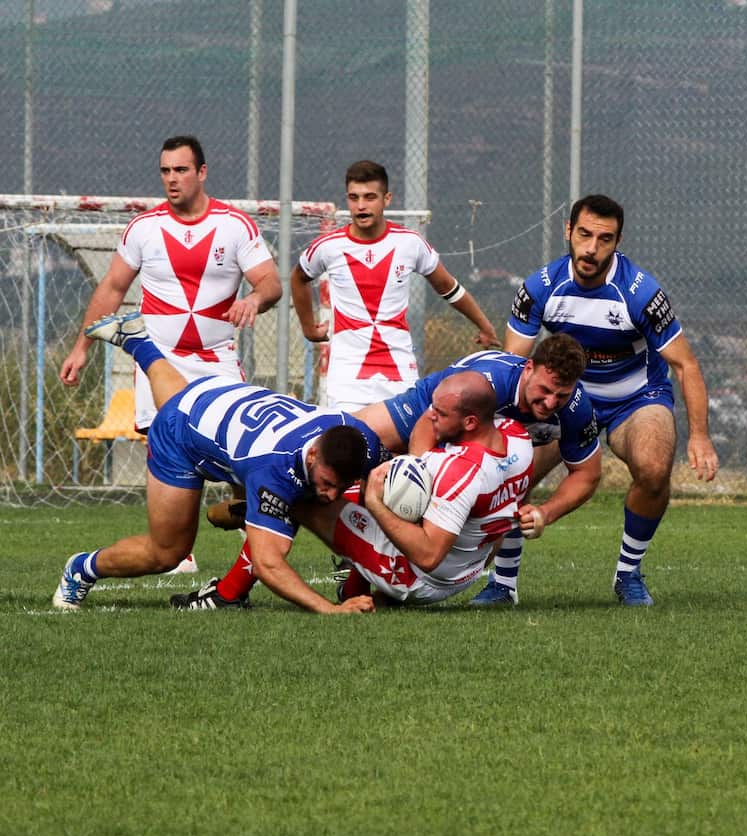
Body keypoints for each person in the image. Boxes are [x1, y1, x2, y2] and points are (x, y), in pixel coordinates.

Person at [188, 333, 601, 608]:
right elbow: (430, 420)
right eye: (543, 391)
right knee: (331, 466)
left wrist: (545, 512)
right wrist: (419, 475)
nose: (549, 404)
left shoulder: (574, 410)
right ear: (528, 369)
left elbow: (587, 474)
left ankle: (337, 571)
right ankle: (237, 575)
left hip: (474, 456)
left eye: (559, 396)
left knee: (429, 509)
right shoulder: (486, 383)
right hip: (421, 410)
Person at [52, 311, 381, 614]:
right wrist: (331, 609)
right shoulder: (274, 467)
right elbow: (269, 565)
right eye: (326, 483)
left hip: (219, 395)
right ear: (312, 455)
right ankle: (82, 568)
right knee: (166, 552)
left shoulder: (354, 435)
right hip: (180, 435)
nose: (331, 495)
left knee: (184, 401)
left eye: (340, 487)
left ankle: (140, 343)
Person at [504, 194, 718, 606]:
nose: (591, 248)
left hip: (635, 397)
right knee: (511, 473)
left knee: (655, 471)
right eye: (584, 235)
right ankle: (503, 585)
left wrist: (700, 436)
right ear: (568, 231)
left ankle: (628, 574)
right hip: (565, 401)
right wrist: (503, 437)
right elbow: (514, 366)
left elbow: (686, 365)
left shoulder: (640, 293)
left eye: (605, 239)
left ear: (617, 241)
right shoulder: (540, 288)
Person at [59, 135, 282, 426]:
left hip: (216, 361)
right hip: (159, 362)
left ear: (202, 172)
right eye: (165, 171)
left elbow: (271, 283)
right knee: (163, 458)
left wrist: (254, 298)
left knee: (227, 458)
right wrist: (81, 348)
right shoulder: (143, 227)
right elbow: (113, 287)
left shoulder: (234, 225)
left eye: (181, 170)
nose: (172, 179)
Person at [300, 371, 535, 607]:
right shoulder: (516, 436)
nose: (430, 416)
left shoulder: (457, 471)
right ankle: (376, 592)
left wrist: (374, 502)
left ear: (470, 422)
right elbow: (425, 424)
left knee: (309, 499)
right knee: (397, 486)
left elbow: (428, 556)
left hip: (420, 578)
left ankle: (352, 591)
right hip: (470, 565)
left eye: (441, 414)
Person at [290, 159, 499, 411]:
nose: (361, 206)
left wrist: (484, 325)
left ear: (386, 199)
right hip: (347, 376)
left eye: (369, 197)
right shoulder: (328, 246)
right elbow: (299, 277)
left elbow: (448, 286)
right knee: (350, 444)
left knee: (406, 446)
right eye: (353, 198)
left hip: (399, 371)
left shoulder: (410, 243)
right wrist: (308, 328)